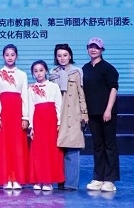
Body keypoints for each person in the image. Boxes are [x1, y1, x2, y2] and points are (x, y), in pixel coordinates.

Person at [82, 37, 120, 192]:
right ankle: (98, 178)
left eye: (96, 47)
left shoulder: (108, 68)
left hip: (106, 113)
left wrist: (108, 109)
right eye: (90, 47)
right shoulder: (84, 69)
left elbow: (113, 89)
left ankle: (109, 180)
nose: (93, 50)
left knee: (109, 145)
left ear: (102, 50)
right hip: (92, 113)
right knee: (97, 146)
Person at [49, 43, 88, 190]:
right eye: (59, 56)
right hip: (58, 114)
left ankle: (71, 184)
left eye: (65, 55)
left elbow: (81, 93)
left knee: (72, 148)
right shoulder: (53, 73)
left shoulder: (77, 72)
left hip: (73, 113)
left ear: (70, 56)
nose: (62, 58)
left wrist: (84, 113)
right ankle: (60, 181)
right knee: (58, 150)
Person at [0, 44, 30, 190]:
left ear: (16, 56)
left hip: (17, 112)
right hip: (3, 112)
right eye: (7, 55)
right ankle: (6, 178)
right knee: (3, 145)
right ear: (3, 56)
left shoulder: (22, 75)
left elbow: (25, 96)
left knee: (17, 145)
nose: (10, 57)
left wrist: (25, 117)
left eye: (12, 54)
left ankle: (17, 178)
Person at [28, 60, 64, 191]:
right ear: (33, 74)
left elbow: (59, 105)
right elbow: (30, 108)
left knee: (51, 150)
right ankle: (38, 179)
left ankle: (48, 181)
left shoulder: (53, 87)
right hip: (38, 121)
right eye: (35, 71)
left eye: (41, 70)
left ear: (46, 71)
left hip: (51, 121)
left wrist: (59, 122)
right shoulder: (31, 89)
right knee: (38, 151)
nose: (39, 73)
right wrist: (31, 126)